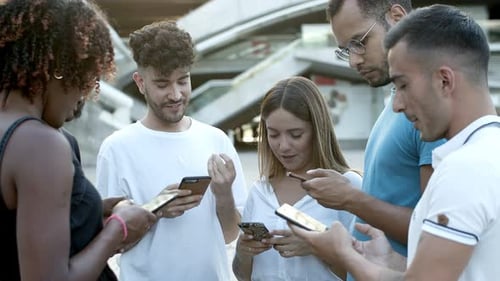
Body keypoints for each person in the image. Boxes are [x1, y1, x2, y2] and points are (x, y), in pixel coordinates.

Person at [292, 4, 500, 280]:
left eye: (402, 85)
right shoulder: (485, 152)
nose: (398, 104)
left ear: (444, 80)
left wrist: (343, 254)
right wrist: (391, 261)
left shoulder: (463, 170)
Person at [0, 0, 156, 280]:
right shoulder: (39, 144)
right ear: (60, 67)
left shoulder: (13, 133)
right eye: (89, 79)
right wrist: (118, 230)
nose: (84, 98)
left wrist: (92, 209)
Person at [95, 20, 248, 281]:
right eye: (162, 84)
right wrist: (154, 210)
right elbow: (107, 243)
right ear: (140, 82)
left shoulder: (216, 140)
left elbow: (230, 234)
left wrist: (223, 195)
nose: (176, 94)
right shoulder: (116, 148)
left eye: (183, 81)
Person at [301, 0, 445, 258]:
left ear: (397, 17)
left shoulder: (430, 110)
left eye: (360, 42)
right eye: (346, 50)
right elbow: (395, 197)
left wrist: (350, 199)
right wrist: (354, 191)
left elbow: (435, 233)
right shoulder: (397, 102)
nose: (353, 61)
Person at [232, 76, 362, 281]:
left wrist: (319, 247)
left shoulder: (348, 186)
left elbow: (369, 270)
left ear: (317, 130)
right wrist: (243, 252)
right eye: (273, 134)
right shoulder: (259, 191)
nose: (283, 146)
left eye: (295, 134)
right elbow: (243, 276)